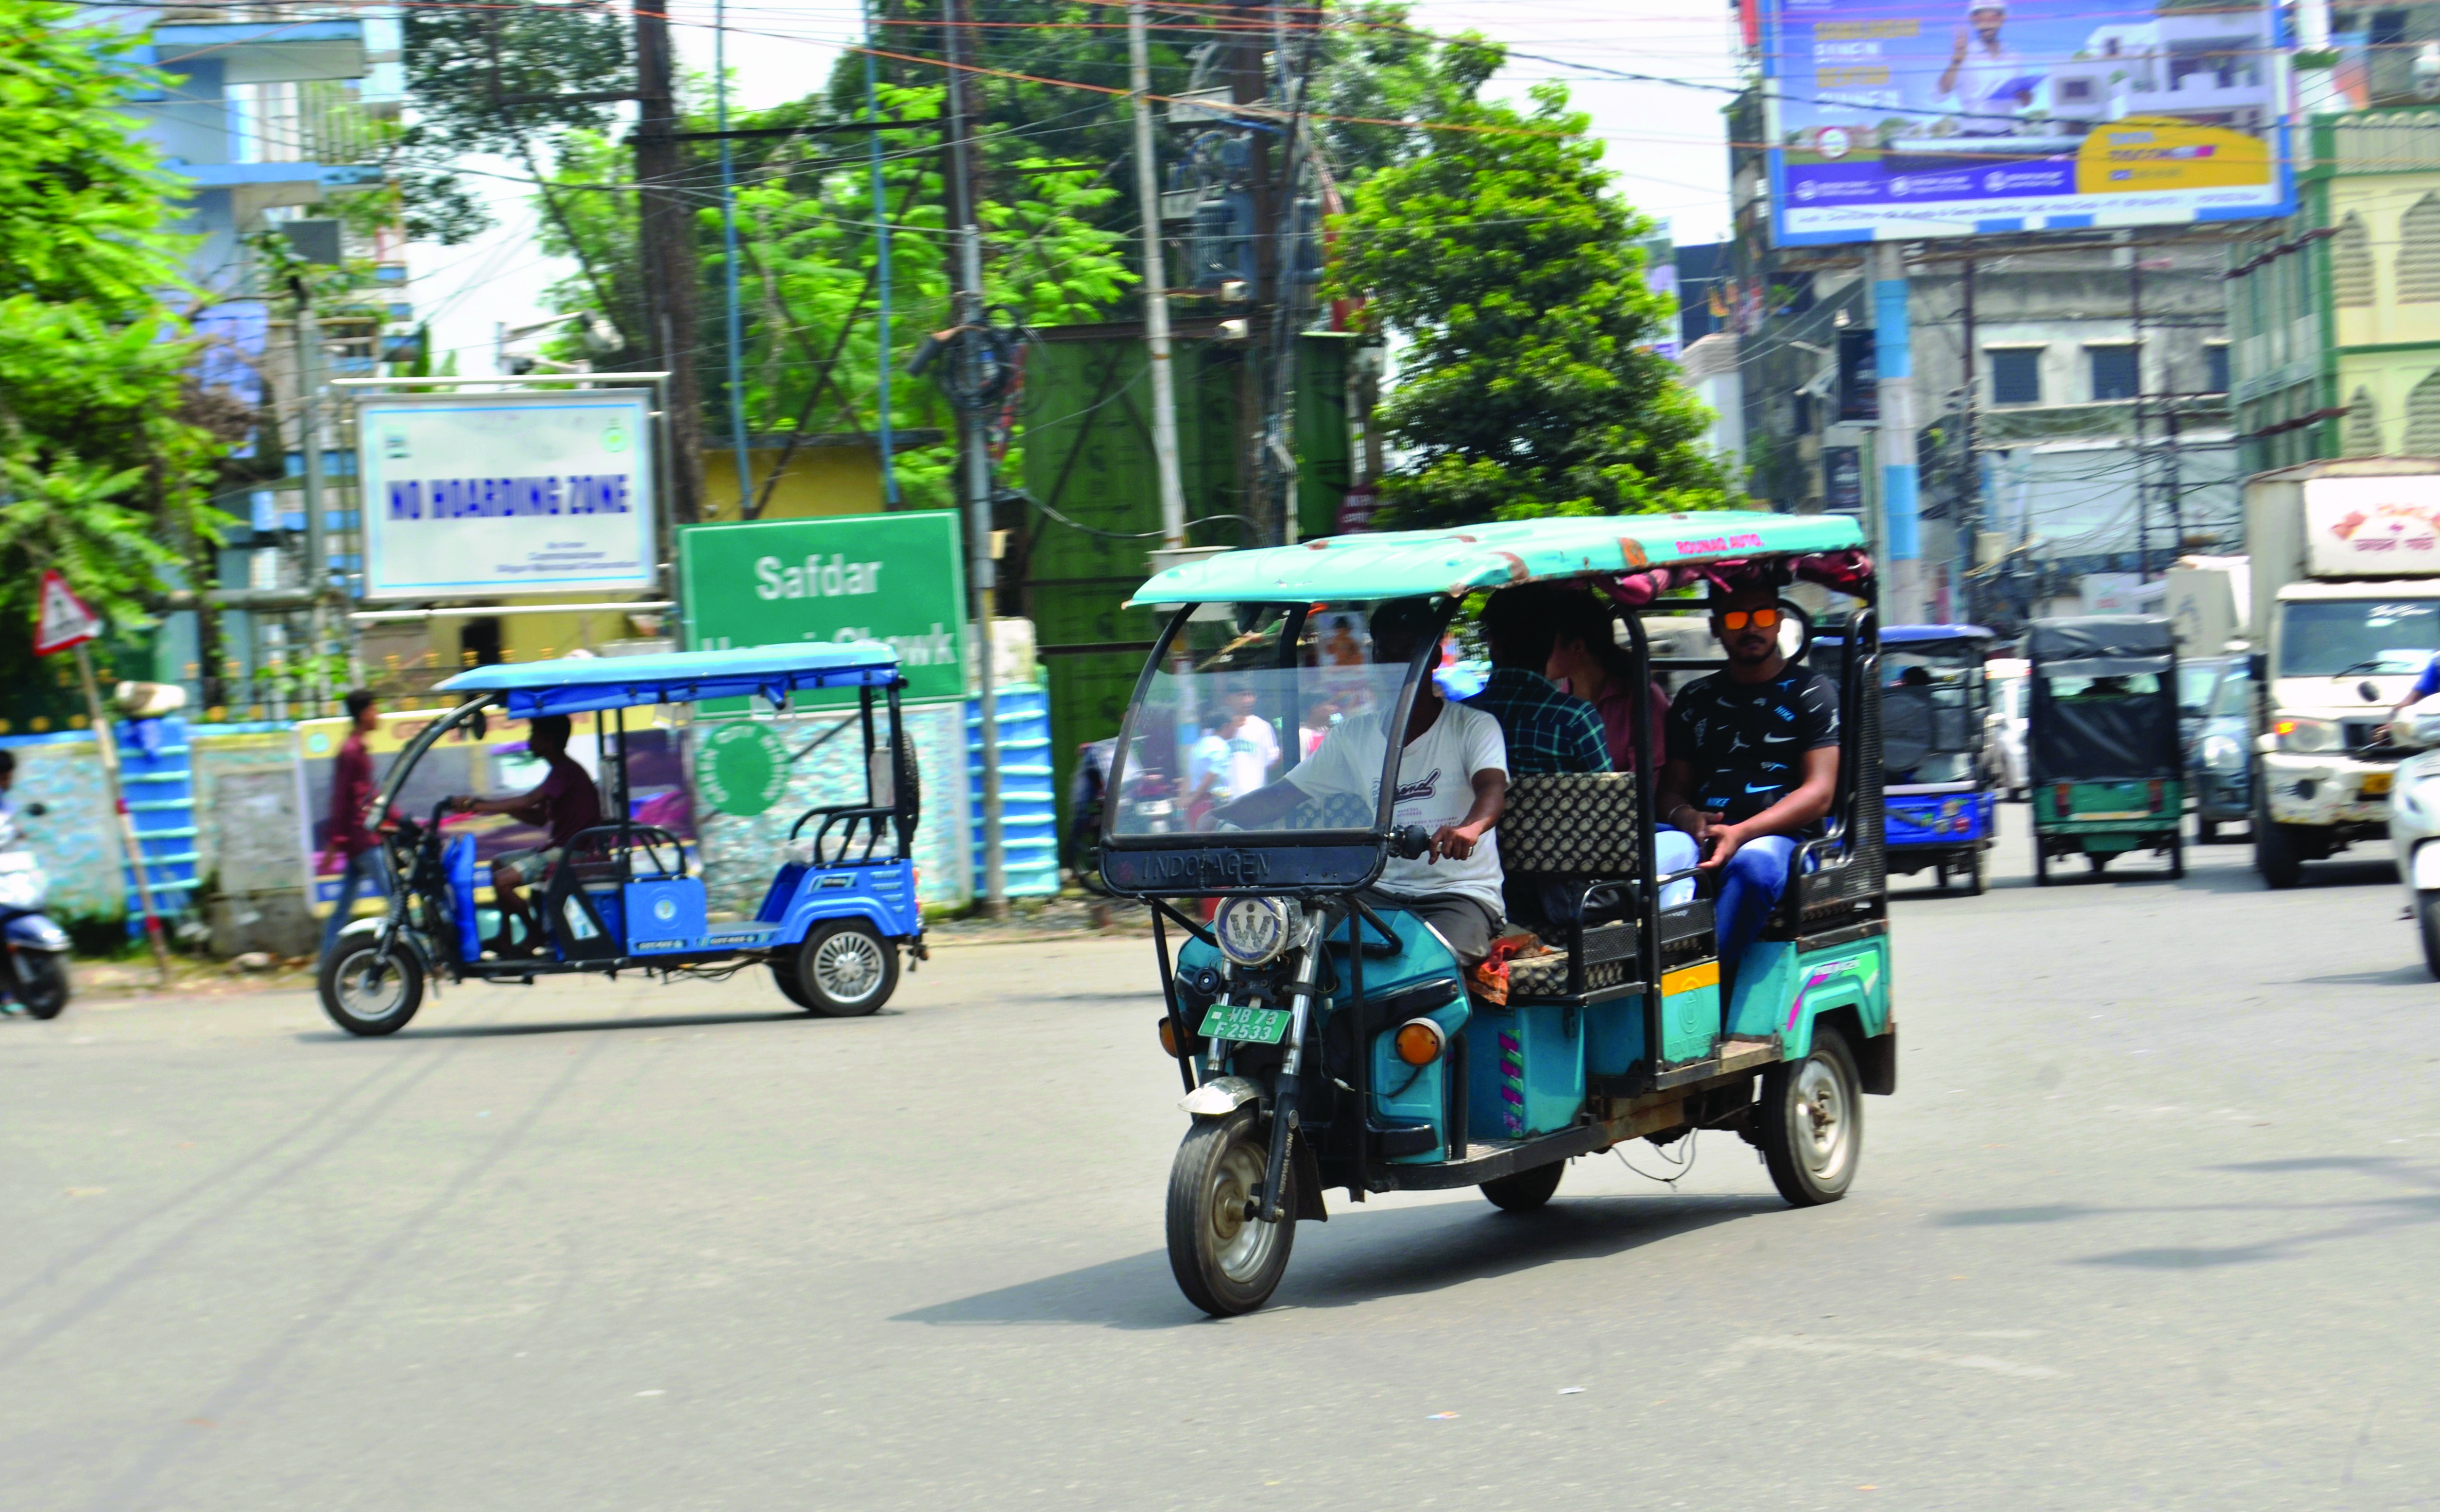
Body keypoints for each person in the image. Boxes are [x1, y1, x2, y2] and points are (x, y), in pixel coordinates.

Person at [1213, 598, 1510, 964]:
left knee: (1429, 964)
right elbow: (1281, 796)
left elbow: (1492, 787)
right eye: (1387, 653)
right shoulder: (1353, 736)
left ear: (1434, 658)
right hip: (1377, 891)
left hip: (1459, 895)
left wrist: (1470, 828)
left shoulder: (1473, 726)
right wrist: (1213, 822)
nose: (1397, 666)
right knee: (1295, 948)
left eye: (1410, 653)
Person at [1655, 580, 1842, 1004]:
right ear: (1717, 628)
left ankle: (1698, 994)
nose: (1750, 628)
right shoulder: (1694, 699)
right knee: (1646, 854)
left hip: (1785, 841)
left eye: (1761, 616)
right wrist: (1687, 817)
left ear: (1777, 621)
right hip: (1702, 836)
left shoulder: (1811, 692)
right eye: (1736, 619)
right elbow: (1669, 792)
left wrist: (1741, 834)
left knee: (1753, 867)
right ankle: (1643, 974)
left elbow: (1819, 794)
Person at [446, 713, 603, 954]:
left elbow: (529, 800)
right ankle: (505, 937)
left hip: (571, 853)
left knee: (502, 881)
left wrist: (477, 805)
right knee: (498, 864)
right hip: (559, 848)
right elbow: (538, 817)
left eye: (534, 736)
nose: (530, 741)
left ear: (549, 740)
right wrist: (495, 808)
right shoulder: (558, 772)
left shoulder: (565, 771)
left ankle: (535, 933)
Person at [1465, 586, 1609, 778]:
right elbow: (1606, 795)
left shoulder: (1460, 716)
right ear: (1550, 643)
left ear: (1493, 642)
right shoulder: (1577, 718)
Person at [1545, 590, 1673, 772]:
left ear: (1577, 648)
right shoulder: (1559, 703)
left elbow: (1646, 783)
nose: (1538, 650)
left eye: (1546, 642)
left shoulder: (1644, 699)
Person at [320, 690, 386, 958]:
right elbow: (341, 798)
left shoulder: (357, 749)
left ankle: (326, 961)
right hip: (364, 840)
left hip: (359, 840)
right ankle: (421, 956)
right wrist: (335, 842)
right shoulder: (350, 752)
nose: (378, 715)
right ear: (363, 714)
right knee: (396, 898)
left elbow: (369, 795)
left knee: (344, 905)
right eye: (374, 709)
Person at [1937, 0, 2038, 135]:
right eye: (1982, 19)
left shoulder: (2014, 57)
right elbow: (1940, 94)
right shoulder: (1963, 55)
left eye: (1993, 18)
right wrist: (1956, 63)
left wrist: (2026, 98)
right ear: (1973, 21)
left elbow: (2024, 103)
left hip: (2008, 136)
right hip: (1973, 138)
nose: (1987, 24)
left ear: (2002, 19)